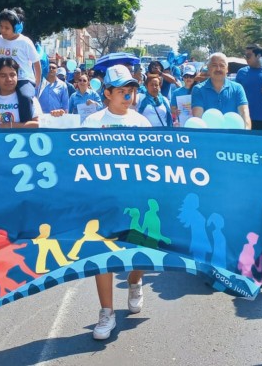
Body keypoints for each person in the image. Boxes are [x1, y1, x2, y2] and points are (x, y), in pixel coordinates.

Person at [82, 65, 151, 340]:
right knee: (103, 256)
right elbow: (82, 163)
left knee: (144, 251)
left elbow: (154, 163)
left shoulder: (142, 123)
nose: (127, 95)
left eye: (131, 90)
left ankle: (135, 281)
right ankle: (106, 312)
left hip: (137, 200)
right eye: (121, 91)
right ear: (107, 93)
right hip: (103, 201)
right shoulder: (92, 122)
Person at [190, 52, 251, 129]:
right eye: (214, 65)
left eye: (222, 65)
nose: (218, 69)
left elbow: (244, 114)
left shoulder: (238, 88)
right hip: (208, 138)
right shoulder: (198, 90)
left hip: (233, 138)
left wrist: (246, 136)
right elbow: (198, 118)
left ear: (227, 69)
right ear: (208, 69)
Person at [0, 8, 41, 87]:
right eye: (1, 27)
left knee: (24, 97)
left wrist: (37, 82)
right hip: (4, 79)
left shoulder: (25, 42)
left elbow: (36, 63)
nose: (2, 30)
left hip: (23, 79)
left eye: (7, 28)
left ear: (17, 28)